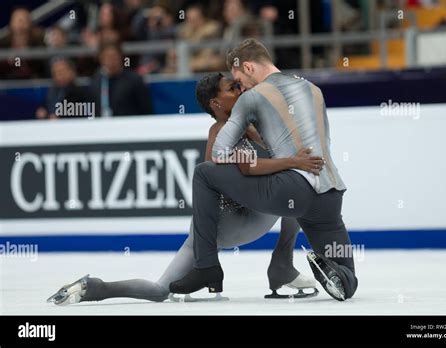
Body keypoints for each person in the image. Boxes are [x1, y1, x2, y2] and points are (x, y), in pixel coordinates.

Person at [47, 72, 325, 305]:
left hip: (216, 226)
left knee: (159, 290)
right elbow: (248, 168)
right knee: (297, 182)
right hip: (232, 222)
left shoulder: (244, 122)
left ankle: (95, 288)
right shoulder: (223, 131)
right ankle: (281, 266)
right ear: (217, 103)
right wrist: (293, 160)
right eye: (232, 88)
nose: (239, 89)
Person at [170, 39, 358, 301]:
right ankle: (336, 273)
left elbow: (219, 153)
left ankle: (206, 267)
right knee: (349, 278)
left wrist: (259, 160)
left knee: (203, 173)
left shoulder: (252, 97)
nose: (241, 87)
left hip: (291, 189)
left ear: (247, 67)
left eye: (239, 80)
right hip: (330, 193)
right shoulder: (313, 89)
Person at [89, 42, 153, 117]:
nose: (111, 61)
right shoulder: (96, 81)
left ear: (121, 57)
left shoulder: (133, 80)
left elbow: (146, 108)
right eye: (106, 57)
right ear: (100, 58)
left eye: (114, 56)